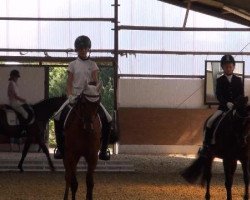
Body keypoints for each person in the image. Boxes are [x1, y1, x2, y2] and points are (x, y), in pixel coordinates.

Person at [54, 35, 112, 160]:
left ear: (88, 49)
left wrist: (95, 91)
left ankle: (103, 150)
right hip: (75, 95)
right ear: (77, 50)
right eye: (81, 49)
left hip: (89, 96)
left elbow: (96, 82)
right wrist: (69, 96)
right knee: (57, 116)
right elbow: (69, 83)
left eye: (85, 48)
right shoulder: (72, 64)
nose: (83, 50)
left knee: (108, 119)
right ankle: (60, 148)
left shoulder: (93, 64)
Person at [199, 54, 244, 156]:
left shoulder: (238, 80)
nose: (228, 68)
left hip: (237, 109)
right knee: (210, 121)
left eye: (230, 66)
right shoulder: (220, 80)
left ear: (233, 67)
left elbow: (241, 94)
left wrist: (236, 104)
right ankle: (207, 144)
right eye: (226, 66)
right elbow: (219, 95)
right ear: (223, 67)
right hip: (223, 108)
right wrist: (226, 103)